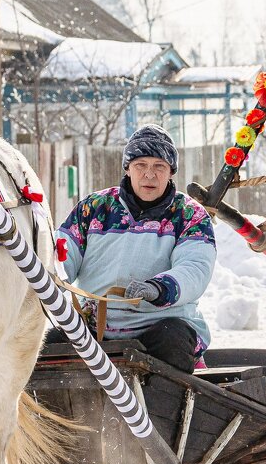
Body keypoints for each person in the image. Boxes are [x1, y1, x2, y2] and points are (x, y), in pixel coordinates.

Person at [53, 124, 216, 372]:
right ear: (127, 168)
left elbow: (195, 268)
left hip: (160, 326)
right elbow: (61, 255)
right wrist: (48, 276)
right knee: (44, 348)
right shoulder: (93, 207)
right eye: (141, 165)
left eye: (159, 166)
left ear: (171, 172)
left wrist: (158, 288)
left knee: (172, 340)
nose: (149, 174)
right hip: (94, 328)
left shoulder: (190, 214)